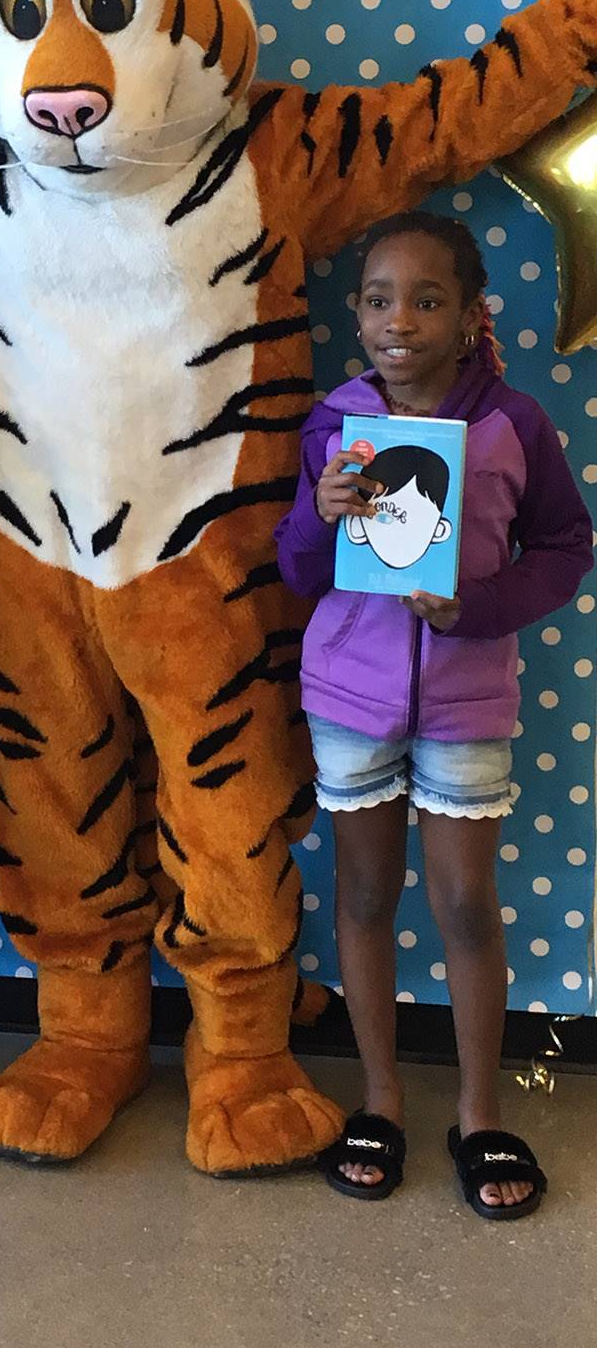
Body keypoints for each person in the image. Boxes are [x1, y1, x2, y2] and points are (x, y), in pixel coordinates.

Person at [276, 210, 591, 1220]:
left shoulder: (514, 424)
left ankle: (481, 1111)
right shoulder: (333, 424)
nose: (397, 318)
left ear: (468, 315)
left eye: (425, 297)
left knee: (462, 905)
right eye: (377, 299)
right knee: (364, 897)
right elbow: (295, 570)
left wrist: (476, 609)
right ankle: (379, 1097)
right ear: (356, 314)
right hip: (350, 697)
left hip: (467, 696)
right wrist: (317, 516)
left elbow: (565, 546)